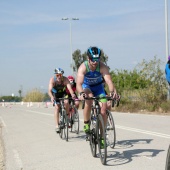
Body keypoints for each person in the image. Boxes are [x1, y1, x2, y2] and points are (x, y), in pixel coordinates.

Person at [76, 46, 118, 136]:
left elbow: (109, 81)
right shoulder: (83, 67)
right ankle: (86, 123)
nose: (95, 62)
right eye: (92, 59)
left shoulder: (102, 66)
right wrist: (81, 93)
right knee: (89, 98)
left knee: (103, 109)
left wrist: (112, 92)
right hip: (87, 87)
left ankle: (102, 136)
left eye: (97, 59)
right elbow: (78, 84)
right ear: (88, 58)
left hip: (99, 88)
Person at [48, 68, 76, 133]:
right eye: (57, 75)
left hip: (63, 93)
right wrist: (52, 97)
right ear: (55, 75)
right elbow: (49, 91)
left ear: (62, 75)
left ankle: (67, 116)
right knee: (57, 107)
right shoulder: (52, 80)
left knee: (66, 102)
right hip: (55, 94)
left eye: (60, 75)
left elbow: (69, 88)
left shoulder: (65, 79)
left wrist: (72, 94)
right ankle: (57, 125)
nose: (59, 77)